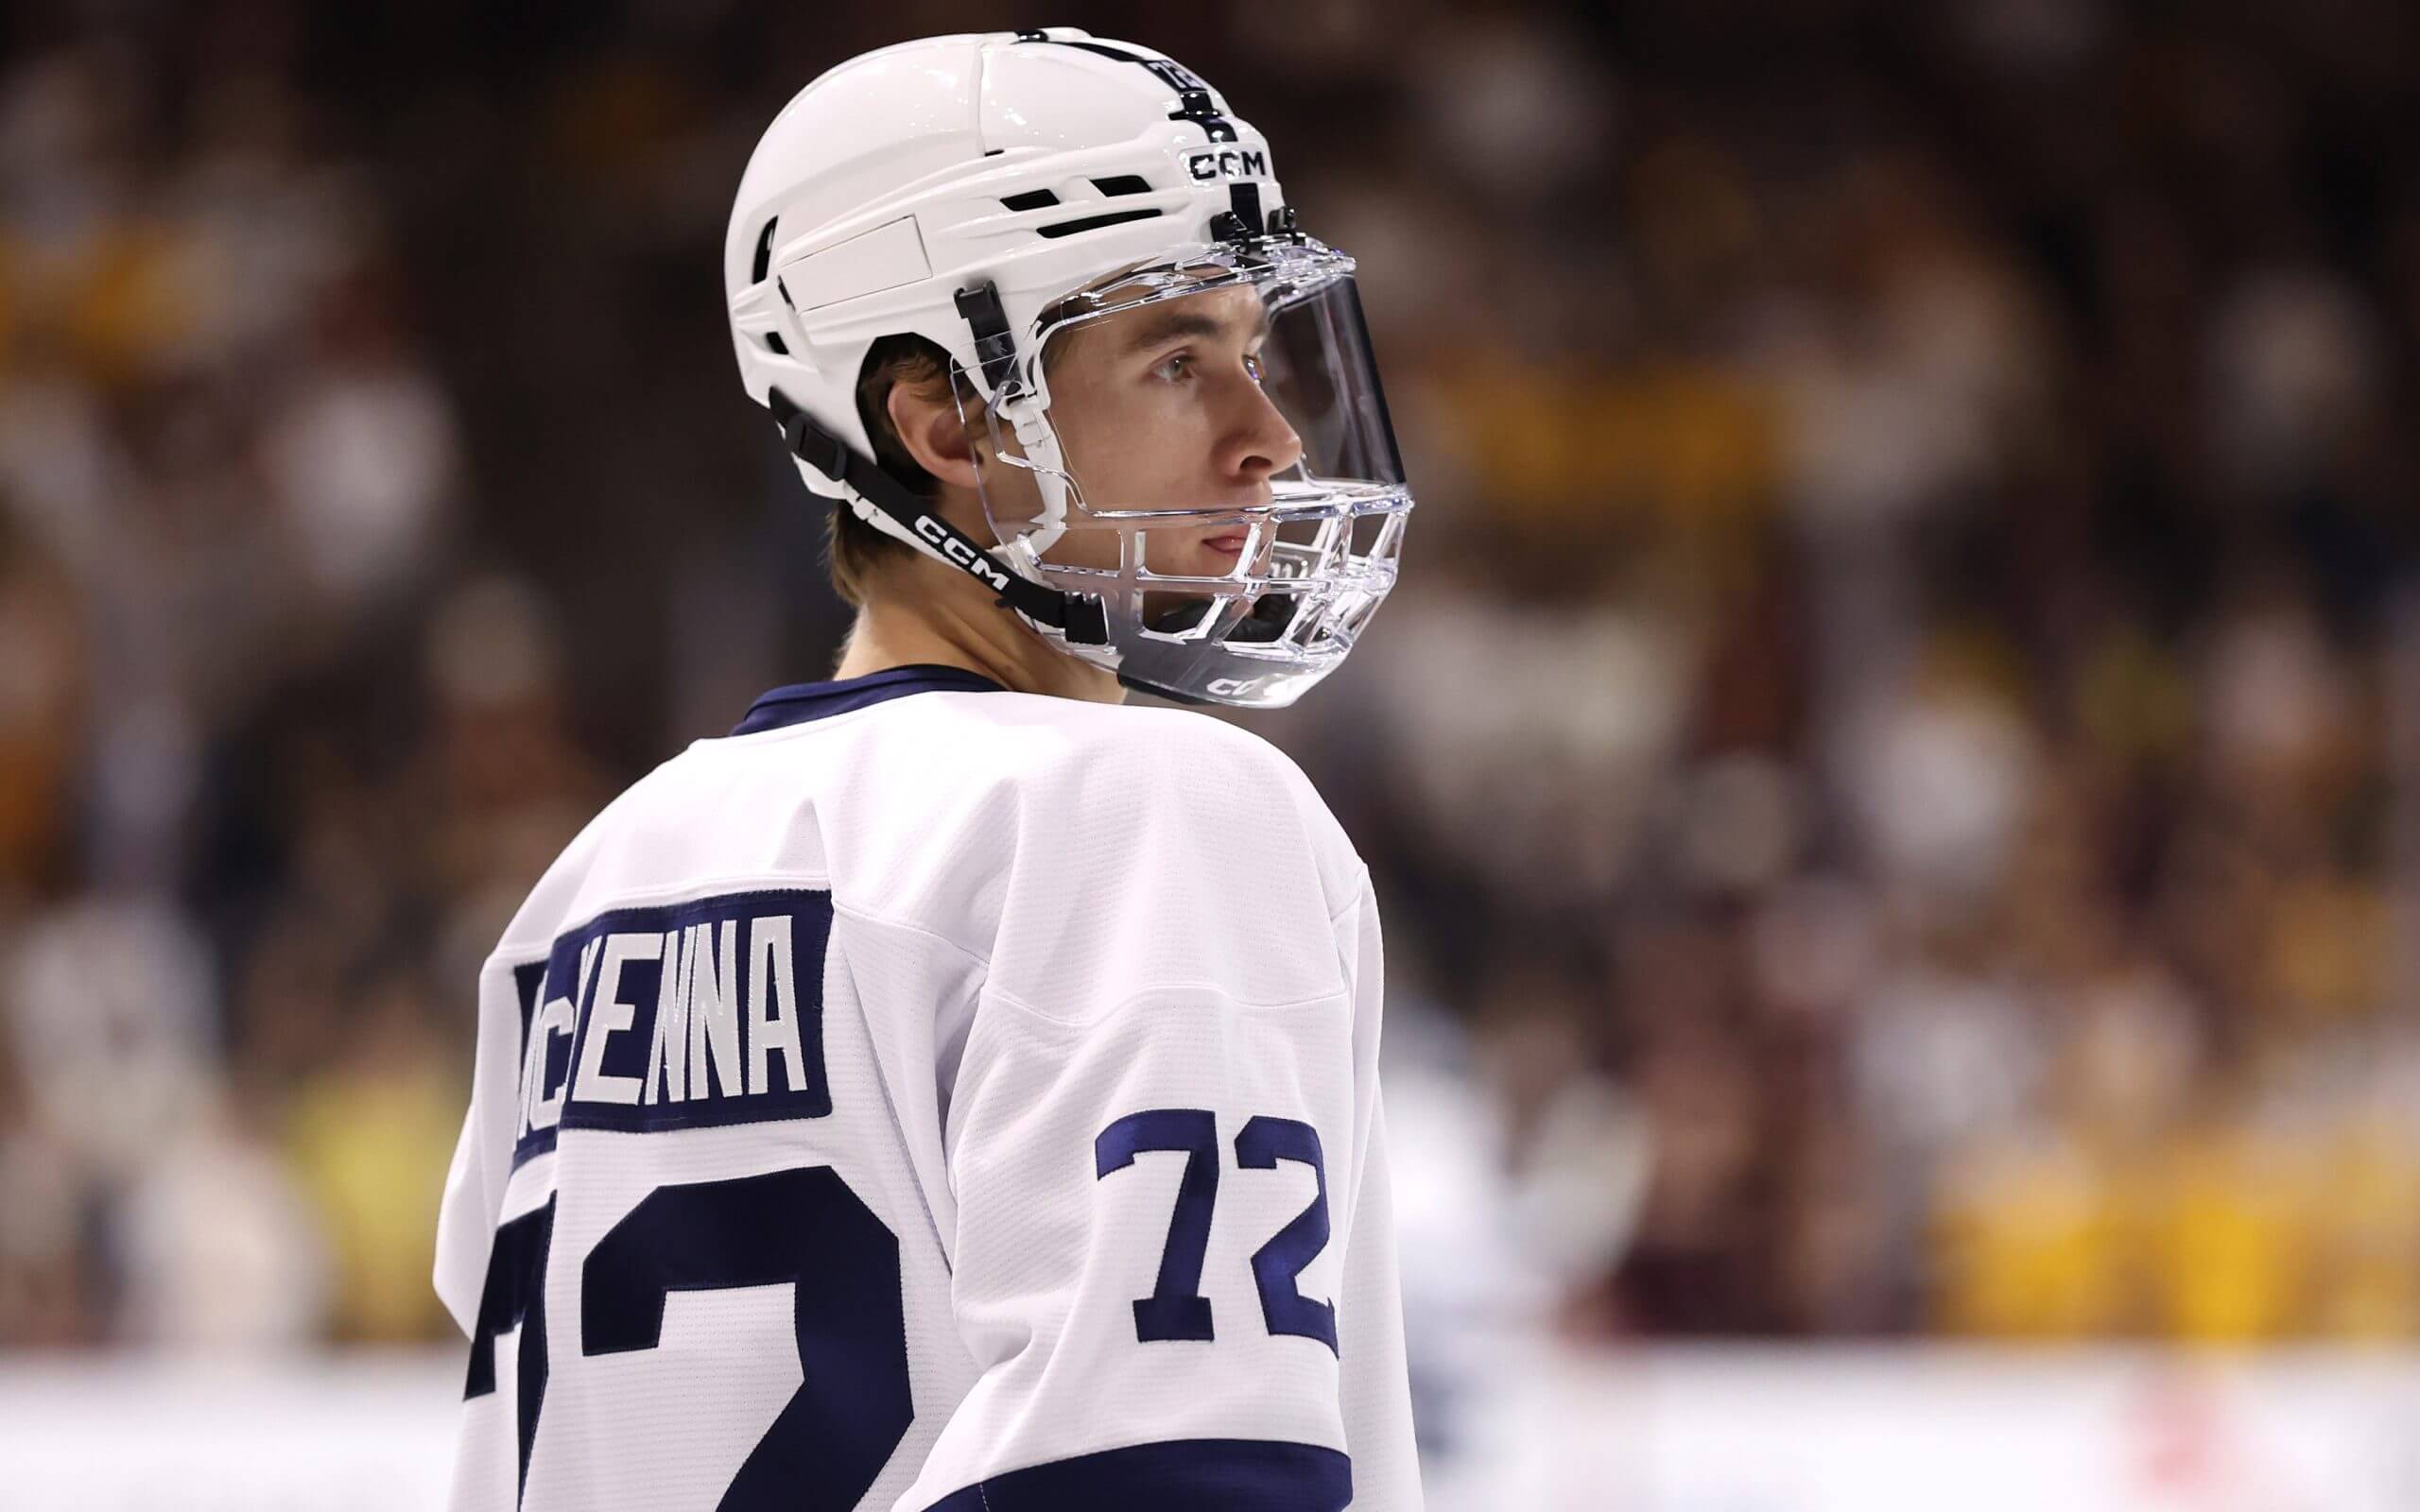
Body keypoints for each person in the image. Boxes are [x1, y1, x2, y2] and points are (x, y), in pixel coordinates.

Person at [433, 28, 1422, 1511]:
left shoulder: (592, 883)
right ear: (946, 420)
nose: (1269, 439)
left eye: (1253, 353)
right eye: (1176, 360)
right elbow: (1171, 1472)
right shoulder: (1148, 809)